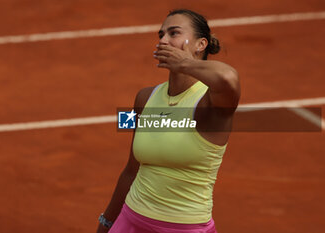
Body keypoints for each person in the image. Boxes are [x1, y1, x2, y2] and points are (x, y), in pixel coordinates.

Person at [96, 9, 240, 233]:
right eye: (160, 35)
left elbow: (228, 78)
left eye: (173, 33)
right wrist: (107, 222)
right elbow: (131, 169)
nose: (163, 40)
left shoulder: (210, 103)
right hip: (130, 221)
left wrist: (185, 64)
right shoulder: (143, 98)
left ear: (200, 44)